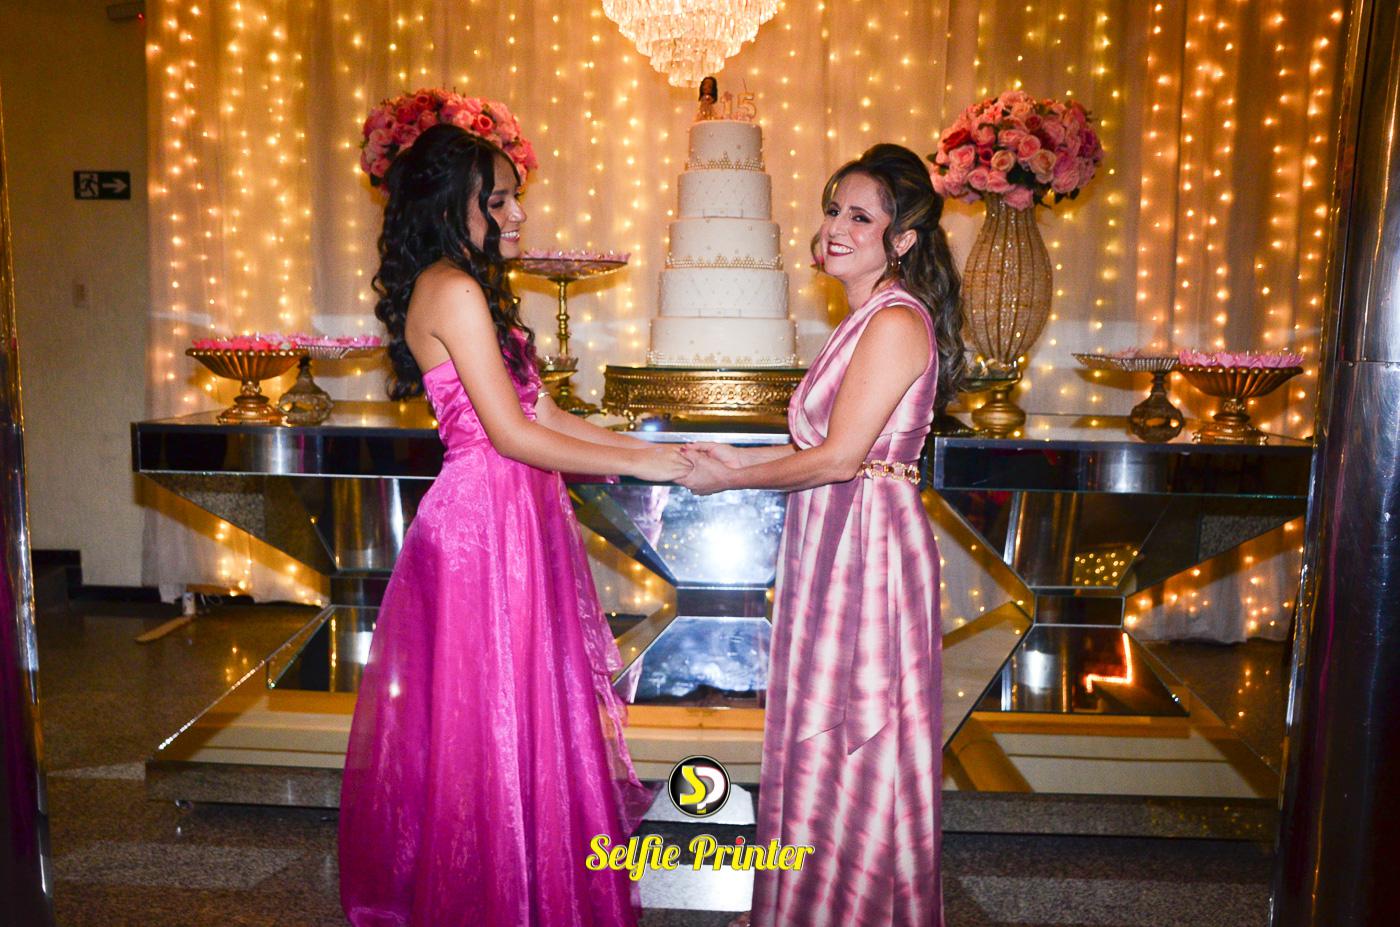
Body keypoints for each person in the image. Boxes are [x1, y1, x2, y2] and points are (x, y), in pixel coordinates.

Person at [338, 122, 690, 926]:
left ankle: (530, 883)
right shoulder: (454, 291)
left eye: (514, 199)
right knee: (491, 715)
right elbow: (511, 435)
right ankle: (497, 894)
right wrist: (647, 466)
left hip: (513, 514)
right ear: (450, 205)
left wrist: (648, 452)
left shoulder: (467, 286)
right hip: (481, 525)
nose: (518, 215)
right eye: (498, 201)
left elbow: (547, 413)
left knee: (522, 708)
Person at [680, 143, 965, 926]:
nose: (837, 227)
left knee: (859, 729)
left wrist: (730, 480)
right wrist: (728, 458)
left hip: (870, 544)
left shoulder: (897, 320)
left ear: (903, 238)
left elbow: (841, 458)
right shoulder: (866, 317)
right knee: (823, 722)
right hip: (838, 533)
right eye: (835, 210)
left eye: (861, 217)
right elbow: (824, 448)